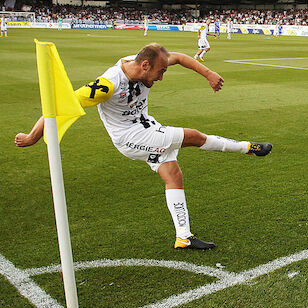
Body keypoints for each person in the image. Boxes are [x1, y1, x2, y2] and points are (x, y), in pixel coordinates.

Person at [15, 43, 273, 250]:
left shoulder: (145, 61)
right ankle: (247, 148)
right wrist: (32, 137)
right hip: (129, 137)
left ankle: (183, 237)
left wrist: (209, 73)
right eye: (160, 72)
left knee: (173, 174)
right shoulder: (107, 85)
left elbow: (180, 57)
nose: (161, 78)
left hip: (147, 127)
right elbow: (61, 104)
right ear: (145, 65)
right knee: (193, 136)